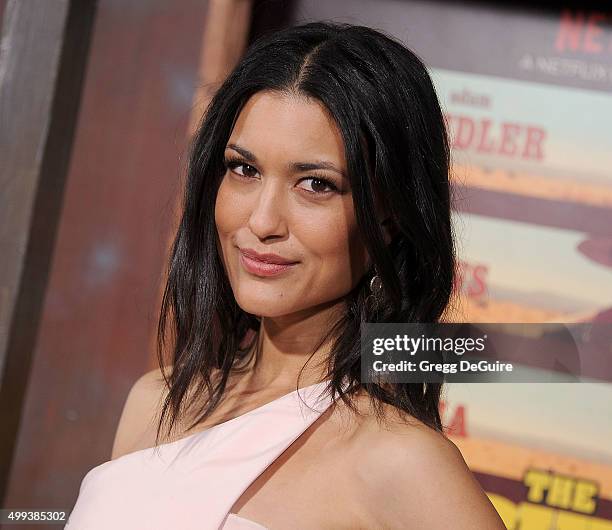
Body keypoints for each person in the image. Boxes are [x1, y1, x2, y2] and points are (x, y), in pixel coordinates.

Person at [66, 21, 506, 529]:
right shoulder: (155, 401)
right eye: (244, 170)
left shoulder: (402, 464)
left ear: (389, 219)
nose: (261, 222)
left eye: (316, 184)